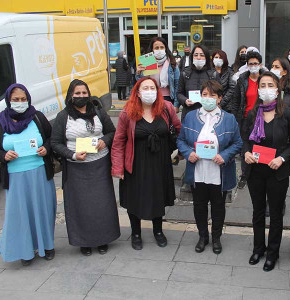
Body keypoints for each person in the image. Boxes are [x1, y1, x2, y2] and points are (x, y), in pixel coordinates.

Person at [51, 79, 120, 256]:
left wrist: (104, 141)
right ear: (71, 96)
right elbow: (55, 143)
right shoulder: (63, 116)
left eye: (84, 93)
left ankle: (103, 238)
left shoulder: (98, 112)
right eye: (77, 93)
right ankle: (85, 242)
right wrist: (72, 155)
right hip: (76, 168)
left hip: (99, 165)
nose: (81, 96)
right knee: (80, 206)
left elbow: (112, 132)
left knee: (102, 204)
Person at [111, 77, 181, 250]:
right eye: (145, 88)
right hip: (135, 164)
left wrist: (180, 152)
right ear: (137, 92)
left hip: (160, 163)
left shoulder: (167, 108)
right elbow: (118, 141)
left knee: (158, 196)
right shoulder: (127, 112)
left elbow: (179, 130)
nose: (149, 91)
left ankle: (158, 231)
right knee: (135, 198)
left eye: (152, 88)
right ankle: (136, 233)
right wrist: (117, 167)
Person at [0, 84, 56, 266]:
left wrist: (46, 149)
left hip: (39, 174)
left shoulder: (37, 117)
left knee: (43, 211)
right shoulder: (0, 122)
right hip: (15, 177)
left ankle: (47, 246)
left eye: (23, 99)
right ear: (8, 101)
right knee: (21, 214)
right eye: (16, 99)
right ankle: (25, 251)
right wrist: (3, 156)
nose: (20, 103)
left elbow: (52, 139)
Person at [243, 72, 290, 272]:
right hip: (256, 171)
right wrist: (247, 153)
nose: (266, 88)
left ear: (277, 89)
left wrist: (282, 158)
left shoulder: (288, 114)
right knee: (258, 212)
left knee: (275, 214)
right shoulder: (252, 113)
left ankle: (273, 253)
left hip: (277, 172)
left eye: (270, 84)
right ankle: (258, 248)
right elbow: (245, 140)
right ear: (258, 89)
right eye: (263, 85)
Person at [177, 80, 242, 254]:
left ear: (219, 98)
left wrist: (225, 155)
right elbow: (180, 140)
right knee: (199, 205)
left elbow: (238, 143)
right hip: (198, 170)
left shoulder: (229, 119)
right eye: (205, 95)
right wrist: (188, 152)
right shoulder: (191, 116)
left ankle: (216, 238)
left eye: (212, 95)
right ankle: (202, 236)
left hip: (218, 171)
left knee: (218, 206)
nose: (208, 98)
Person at [232, 50, 265, 189]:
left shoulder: (266, 79)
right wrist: (236, 118)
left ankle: (260, 171)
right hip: (246, 118)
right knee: (245, 147)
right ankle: (245, 175)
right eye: (250, 64)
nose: (253, 66)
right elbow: (236, 100)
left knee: (261, 146)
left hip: (263, 117)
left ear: (260, 64)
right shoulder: (242, 80)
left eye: (255, 63)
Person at [135, 37, 180, 110]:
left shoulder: (172, 63)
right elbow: (141, 83)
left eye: (162, 47)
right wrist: (138, 73)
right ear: (152, 50)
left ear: (165, 48)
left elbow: (177, 85)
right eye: (156, 48)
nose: (159, 50)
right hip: (151, 97)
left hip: (168, 99)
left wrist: (176, 104)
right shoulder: (147, 62)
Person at [177, 45, 215, 121]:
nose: (198, 57)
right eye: (196, 55)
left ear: (206, 57)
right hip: (189, 113)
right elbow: (179, 93)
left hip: (208, 115)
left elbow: (219, 94)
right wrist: (185, 100)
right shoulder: (185, 73)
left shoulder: (213, 74)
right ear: (192, 57)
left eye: (202, 55)